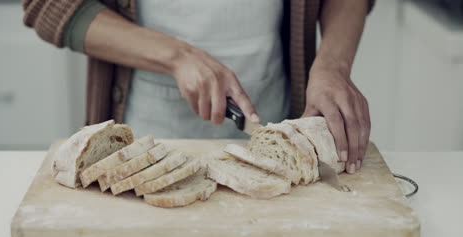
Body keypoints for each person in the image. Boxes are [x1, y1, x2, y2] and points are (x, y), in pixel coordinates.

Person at [22, 0, 373, 174]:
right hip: (142, 131)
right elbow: (48, 5)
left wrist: (333, 65)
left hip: (273, 109)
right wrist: (175, 55)